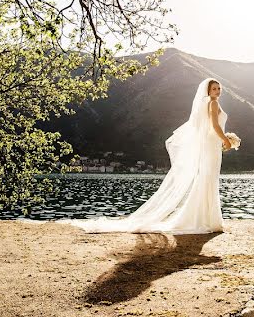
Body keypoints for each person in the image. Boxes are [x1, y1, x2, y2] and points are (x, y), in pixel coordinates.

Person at [60, 77, 231, 233]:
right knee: (208, 179)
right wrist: (226, 140)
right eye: (214, 88)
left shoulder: (206, 103)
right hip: (211, 144)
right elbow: (215, 126)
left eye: (219, 88)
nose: (217, 91)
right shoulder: (212, 103)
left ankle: (206, 219)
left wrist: (223, 139)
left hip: (210, 144)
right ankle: (207, 220)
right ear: (208, 91)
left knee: (207, 179)